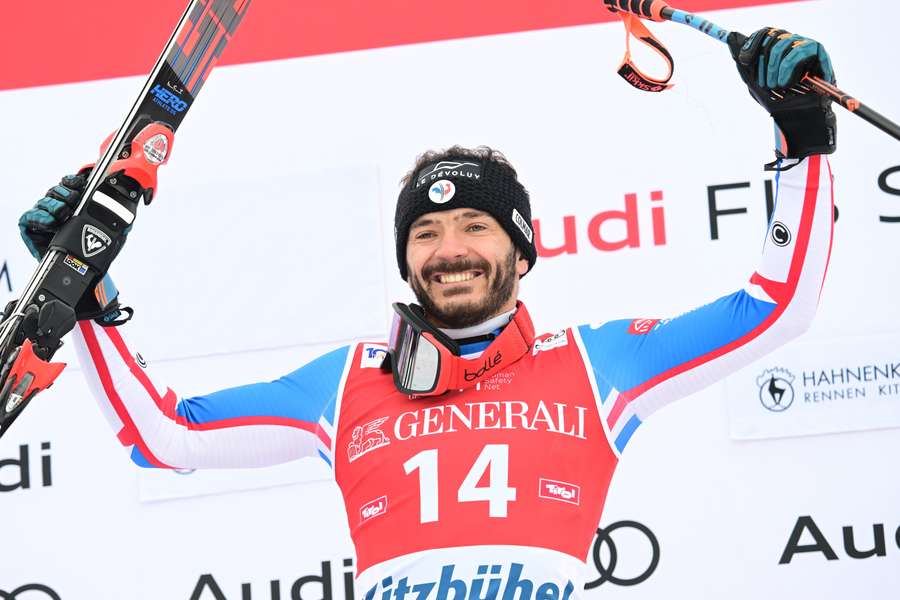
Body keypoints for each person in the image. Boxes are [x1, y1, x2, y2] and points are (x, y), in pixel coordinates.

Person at [16, 28, 837, 599]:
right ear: (407, 258)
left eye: (476, 225)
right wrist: (86, 295)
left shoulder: (597, 366)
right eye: (427, 231)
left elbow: (776, 308)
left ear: (522, 252)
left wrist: (801, 141)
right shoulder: (345, 383)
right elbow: (171, 437)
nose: (450, 248)